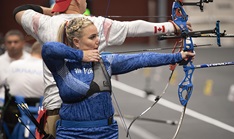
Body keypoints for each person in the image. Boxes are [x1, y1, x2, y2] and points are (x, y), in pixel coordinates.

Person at [13, 0, 192, 136]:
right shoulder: (95, 25)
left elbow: (19, 11)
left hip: (61, 113)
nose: (97, 40)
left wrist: (178, 56)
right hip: (67, 119)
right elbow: (133, 28)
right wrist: (172, 26)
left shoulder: (44, 22)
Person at [0, 30, 30, 100]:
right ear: (5, 44)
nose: (12, 45)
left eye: (16, 42)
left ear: (23, 43)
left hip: (27, 101)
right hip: (2, 102)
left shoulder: (31, 61)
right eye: (9, 42)